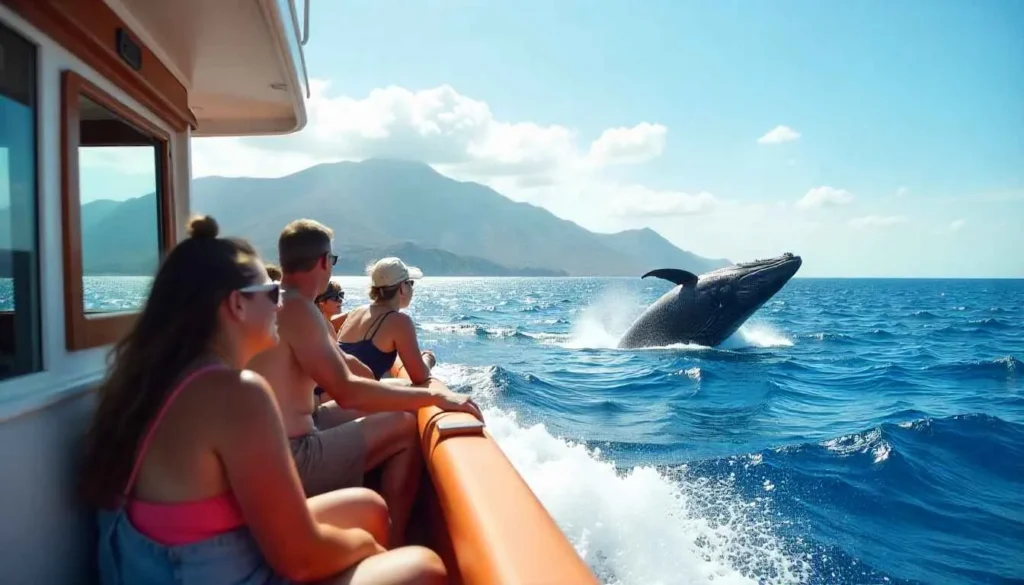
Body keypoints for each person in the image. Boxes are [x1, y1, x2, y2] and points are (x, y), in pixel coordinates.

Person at [78, 215, 446, 585]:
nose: (279, 303)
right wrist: (365, 547)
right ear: (237, 306)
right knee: (423, 567)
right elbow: (300, 560)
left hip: (183, 560)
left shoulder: (158, 380)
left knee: (369, 508)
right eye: (270, 292)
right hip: (214, 571)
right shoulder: (237, 394)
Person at [247, 218, 481, 548]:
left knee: (403, 394)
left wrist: (411, 392)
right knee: (403, 424)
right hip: (291, 459)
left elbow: (345, 368)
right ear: (324, 262)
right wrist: (434, 396)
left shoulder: (272, 301)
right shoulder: (300, 309)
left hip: (271, 447)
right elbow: (347, 393)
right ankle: (395, 540)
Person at [337, 258, 436, 384]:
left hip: (329, 393)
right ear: (402, 288)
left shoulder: (356, 312)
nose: (412, 288)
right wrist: (428, 358)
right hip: (350, 399)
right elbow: (419, 376)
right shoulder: (399, 322)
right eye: (410, 283)